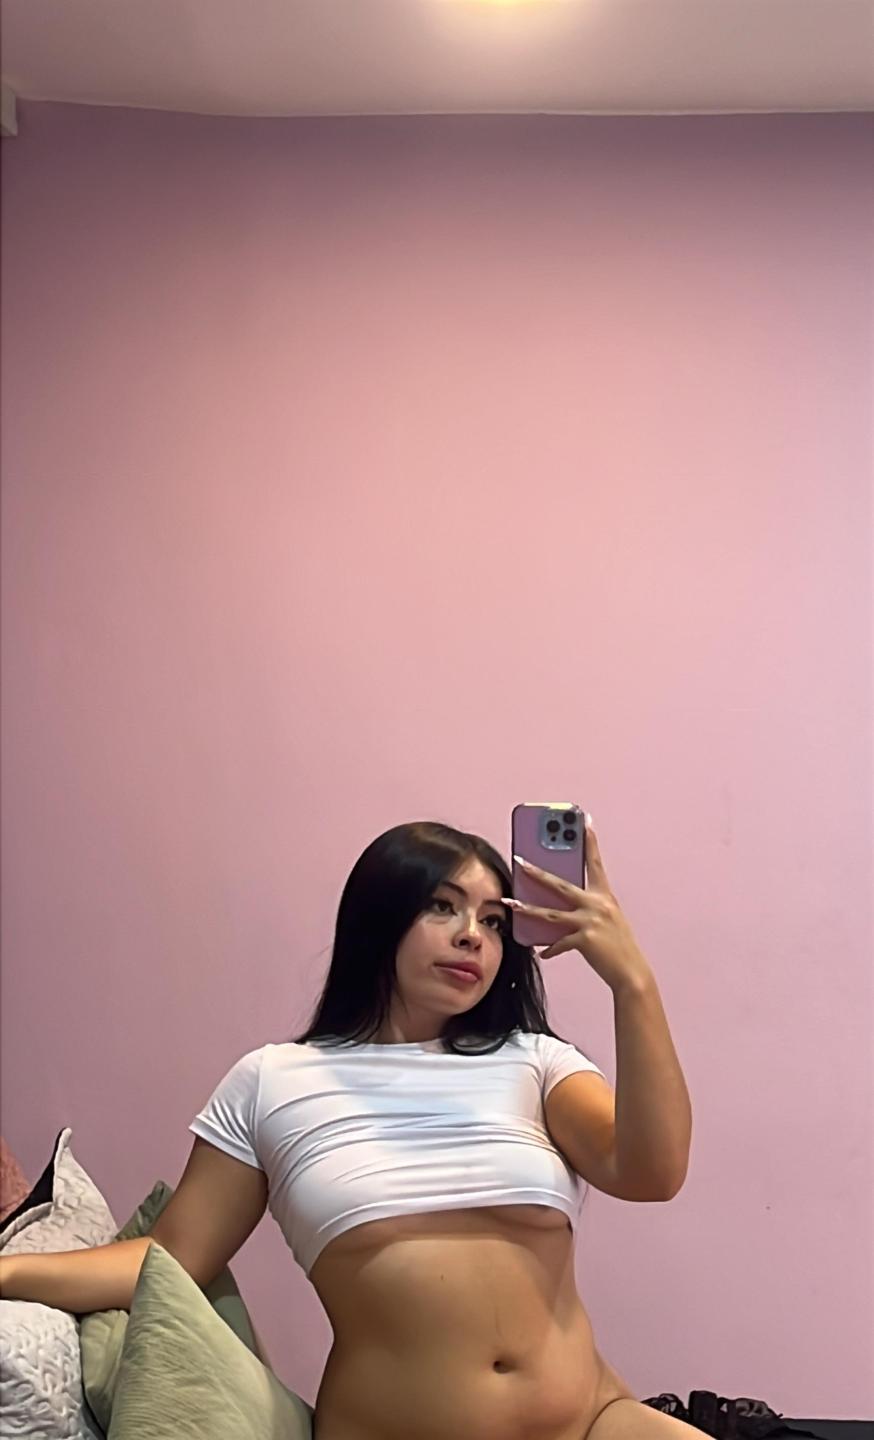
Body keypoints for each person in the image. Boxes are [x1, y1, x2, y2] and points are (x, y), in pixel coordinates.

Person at [0, 818, 697, 1440]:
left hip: (589, 1422)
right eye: (443, 906)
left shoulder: (536, 1062)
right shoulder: (274, 1081)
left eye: (492, 920)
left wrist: (631, 980)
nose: (472, 936)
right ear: (378, 917)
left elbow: (653, 1173)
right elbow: (171, 1260)